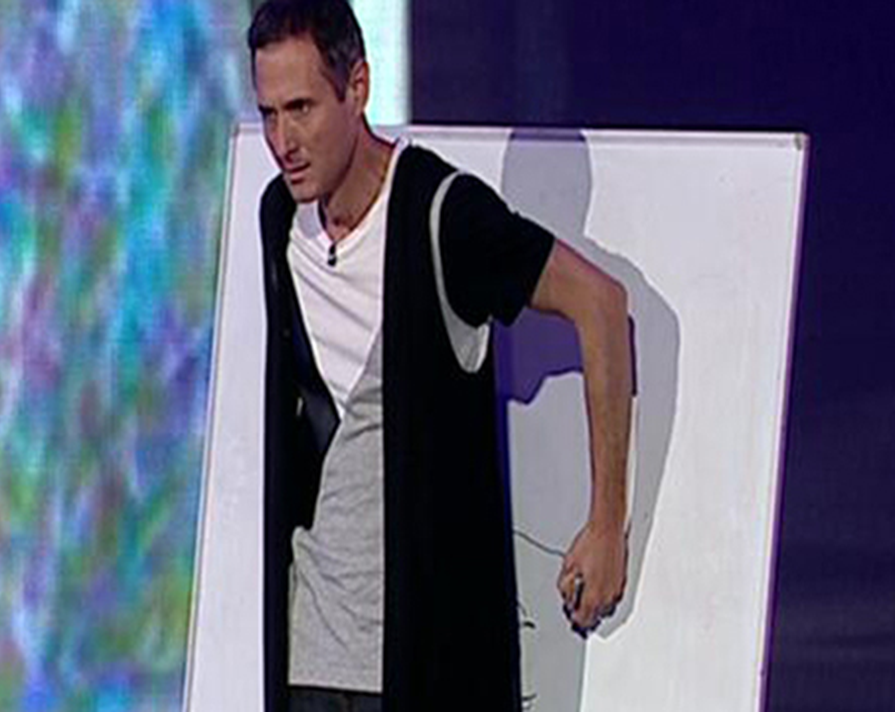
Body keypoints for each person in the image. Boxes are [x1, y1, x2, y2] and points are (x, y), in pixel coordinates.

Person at [248, 1, 632, 709]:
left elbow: (602, 307)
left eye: (300, 109)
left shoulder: (442, 214)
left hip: (424, 663)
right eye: (268, 114)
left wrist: (607, 523)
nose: (283, 140)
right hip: (312, 658)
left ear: (357, 88)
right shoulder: (280, 219)